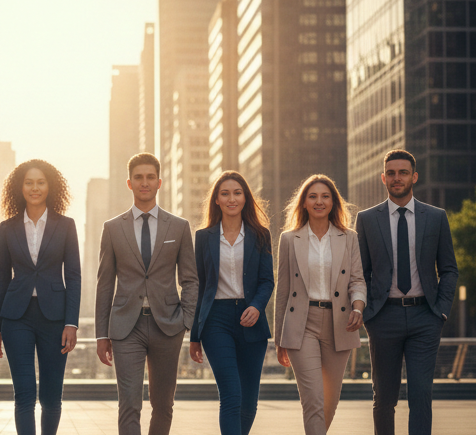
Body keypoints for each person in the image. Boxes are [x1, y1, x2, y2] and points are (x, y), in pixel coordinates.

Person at [94, 152, 197, 435]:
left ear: (159, 182)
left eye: (150, 177)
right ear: (129, 183)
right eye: (138, 177)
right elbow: (104, 283)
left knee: (163, 404)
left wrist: (185, 320)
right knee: (129, 404)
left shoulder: (179, 226)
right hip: (127, 326)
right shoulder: (112, 228)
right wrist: (102, 334)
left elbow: (190, 279)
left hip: (168, 325)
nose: (144, 182)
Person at [357, 150, 458, 435]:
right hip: (383, 317)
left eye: (403, 172)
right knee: (384, 398)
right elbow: (360, 273)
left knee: (421, 394)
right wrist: (367, 313)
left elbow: (449, 269)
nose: (397, 178)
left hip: (425, 317)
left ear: (414, 176)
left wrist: (441, 311)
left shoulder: (436, 217)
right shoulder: (366, 220)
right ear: (383, 178)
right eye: (391, 173)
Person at [274, 174, 366, 435]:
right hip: (302, 324)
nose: (319, 201)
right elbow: (283, 291)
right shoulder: (290, 239)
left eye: (325, 196)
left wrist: (358, 307)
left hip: (341, 323)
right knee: (313, 399)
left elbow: (357, 280)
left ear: (334, 202)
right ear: (303, 203)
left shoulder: (348, 238)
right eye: (312, 196)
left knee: (330, 400)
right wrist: (280, 337)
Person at [0, 159, 81, 435]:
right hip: (15, 318)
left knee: (51, 396)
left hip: (55, 318)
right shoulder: (7, 227)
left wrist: (72, 323)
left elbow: (74, 276)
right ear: (19, 188)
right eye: (29, 182)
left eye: (40, 182)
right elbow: (2, 279)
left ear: (50, 186)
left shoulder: (66, 225)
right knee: (24, 394)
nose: (35, 188)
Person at [189, 171, 274, 435]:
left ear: (246, 198)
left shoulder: (261, 234)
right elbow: (199, 287)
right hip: (216, 319)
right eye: (225, 193)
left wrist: (257, 306)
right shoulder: (203, 237)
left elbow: (267, 281)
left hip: (252, 320)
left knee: (249, 402)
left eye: (237, 193)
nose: (231, 198)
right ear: (216, 200)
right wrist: (195, 335)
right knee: (231, 395)